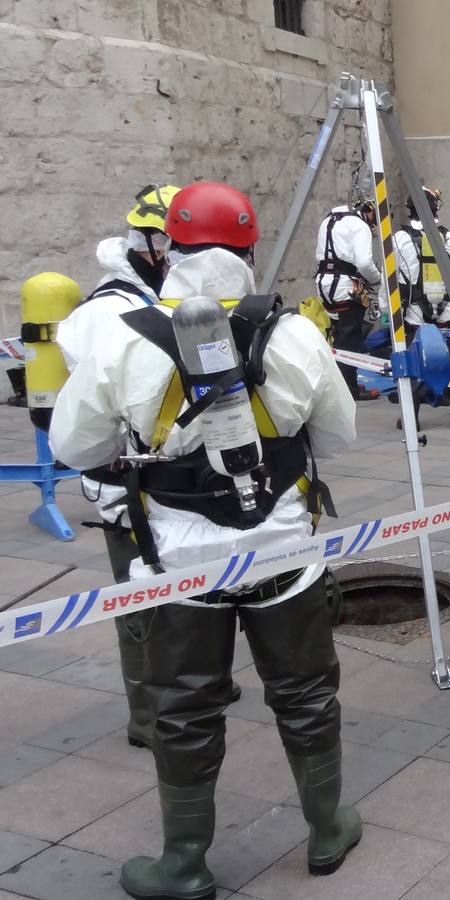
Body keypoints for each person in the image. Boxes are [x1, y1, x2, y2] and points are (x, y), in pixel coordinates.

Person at [49, 182, 361, 899]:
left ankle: (184, 864)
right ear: (251, 251)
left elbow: (75, 446)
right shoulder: (294, 333)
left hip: (178, 564)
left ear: (169, 250)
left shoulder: (121, 335)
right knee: (307, 693)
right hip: (284, 551)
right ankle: (326, 830)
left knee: (183, 710)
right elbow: (339, 440)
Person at [56, 183, 198, 751]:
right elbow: (87, 423)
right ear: (150, 243)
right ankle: (149, 716)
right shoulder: (108, 312)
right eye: (176, 247)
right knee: (139, 602)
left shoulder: (149, 298)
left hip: (166, 480)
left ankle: (185, 692)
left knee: (176, 590)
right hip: (125, 482)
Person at [393, 186, 450, 429]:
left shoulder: (399, 239)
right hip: (446, 314)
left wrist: (389, 311)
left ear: (410, 211)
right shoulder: (449, 239)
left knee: (412, 364)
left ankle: (412, 419)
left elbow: (393, 278)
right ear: (435, 209)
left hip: (415, 317)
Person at [315, 197, 383, 401]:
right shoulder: (359, 225)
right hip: (345, 285)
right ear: (370, 213)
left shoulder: (329, 219)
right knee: (350, 339)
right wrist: (377, 279)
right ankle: (349, 389)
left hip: (324, 284)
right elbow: (363, 263)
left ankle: (339, 384)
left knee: (339, 336)